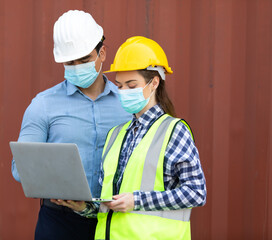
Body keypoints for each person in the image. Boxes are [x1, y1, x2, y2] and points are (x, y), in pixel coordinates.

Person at [54, 36, 207, 240]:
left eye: (131, 85)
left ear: (154, 83)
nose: (123, 92)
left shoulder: (174, 131)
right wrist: (83, 207)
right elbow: (110, 208)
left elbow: (196, 192)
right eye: (119, 85)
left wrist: (137, 200)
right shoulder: (116, 135)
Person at [11, 10, 131, 240]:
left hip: (115, 221)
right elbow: (21, 168)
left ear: (102, 53)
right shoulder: (43, 105)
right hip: (60, 222)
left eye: (84, 60)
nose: (77, 67)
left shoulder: (128, 104)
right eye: (70, 62)